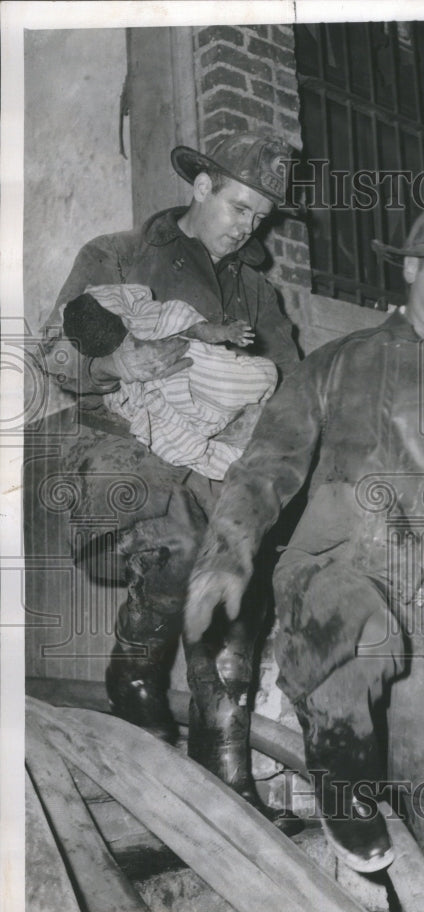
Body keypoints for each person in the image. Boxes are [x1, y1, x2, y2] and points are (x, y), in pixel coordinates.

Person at [185, 182, 424, 912]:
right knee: (363, 635)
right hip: (336, 574)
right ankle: (347, 799)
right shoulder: (335, 365)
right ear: (409, 268)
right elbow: (268, 463)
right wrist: (228, 555)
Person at [39, 132, 301, 828]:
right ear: (202, 186)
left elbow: (291, 397)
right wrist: (120, 363)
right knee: (181, 545)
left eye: (261, 217)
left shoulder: (256, 293)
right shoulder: (117, 254)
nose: (248, 226)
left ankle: (232, 785)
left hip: (221, 464)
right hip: (125, 452)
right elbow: (56, 352)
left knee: (236, 597)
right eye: (239, 206)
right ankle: (134, 677)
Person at [60, 284, 278, 480]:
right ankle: (227, 451)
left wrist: (227, 332)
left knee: (252, 379)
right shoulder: (124, 259)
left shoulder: (153, 318)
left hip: (203, 371)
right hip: (162, 400)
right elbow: (57, 370)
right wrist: (111, 367)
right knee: (177, 442)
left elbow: (191, 326)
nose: (243, 235)